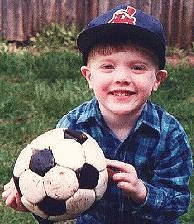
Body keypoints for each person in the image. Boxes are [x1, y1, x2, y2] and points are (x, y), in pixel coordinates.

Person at [2, 3, 193, 224]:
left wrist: (143, 192)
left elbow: (179, 202)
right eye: (108, 67)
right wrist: (33, 201)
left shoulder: (170, 134)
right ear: (88, 76)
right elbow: (59, 198)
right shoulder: (70, 129)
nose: (122, 77)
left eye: (138, 67)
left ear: (157, 80)